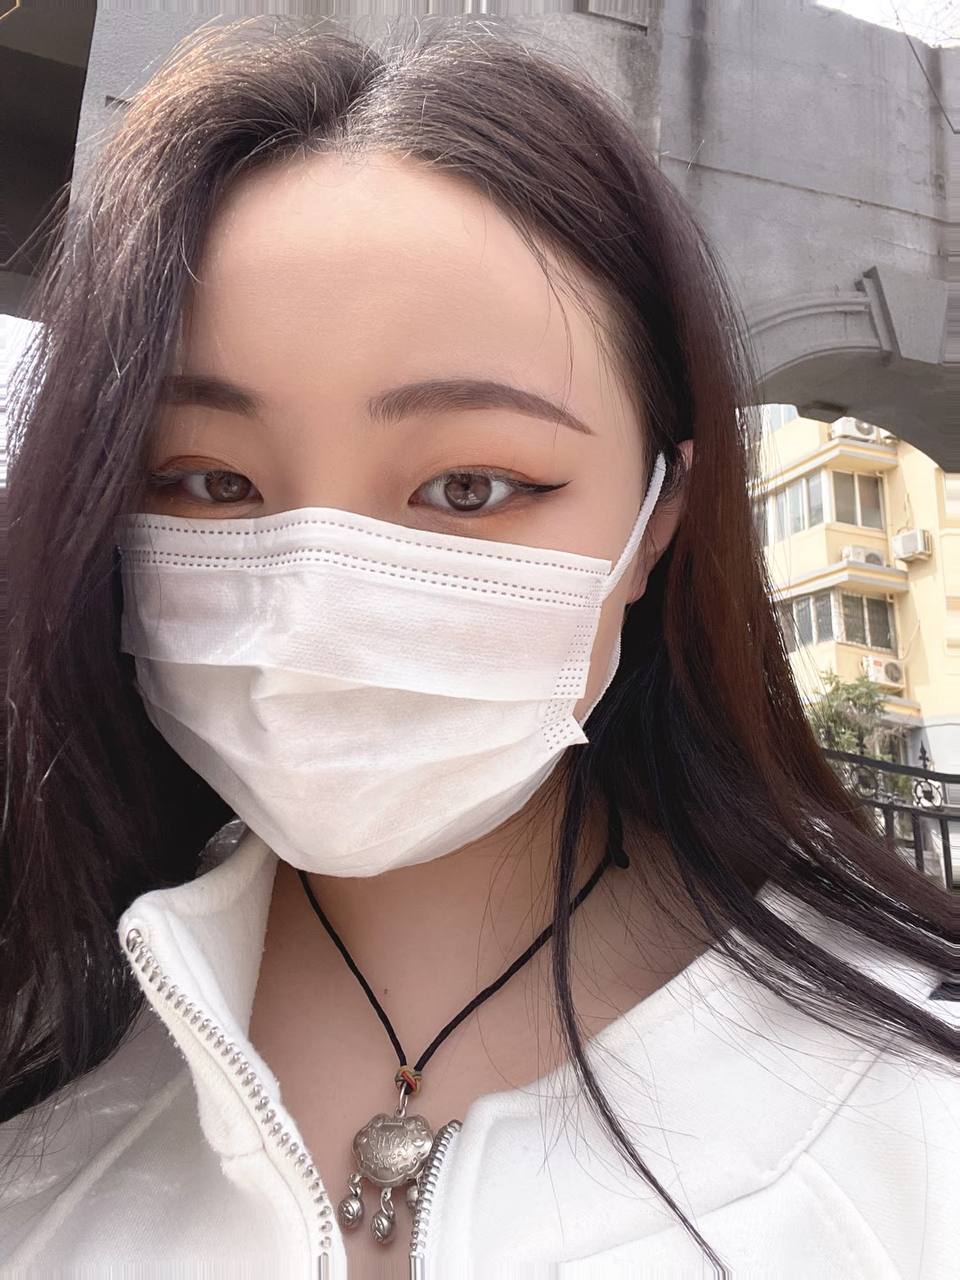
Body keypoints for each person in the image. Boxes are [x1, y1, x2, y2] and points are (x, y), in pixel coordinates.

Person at [0, 17, 956, 1280]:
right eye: (209, 480)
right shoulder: (41, 1090)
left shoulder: (914, 1121)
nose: (314, 607)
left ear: (658, 517)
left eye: (470, 486)